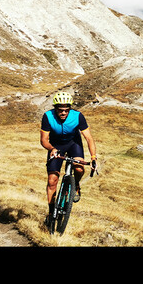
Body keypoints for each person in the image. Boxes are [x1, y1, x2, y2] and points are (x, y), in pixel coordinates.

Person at [40, 91, 97, 226]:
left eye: (66, 110)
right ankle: (51, 213)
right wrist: (52, 149)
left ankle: (75, 184)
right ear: (55, 108)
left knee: (78, 168)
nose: (63, 113)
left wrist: (93, 157)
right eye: (60, 110)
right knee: (52, 180)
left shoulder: (78, 116)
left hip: (73, 144)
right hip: (55, 146)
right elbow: (43, 140)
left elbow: (88, 138)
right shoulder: (48, 117)